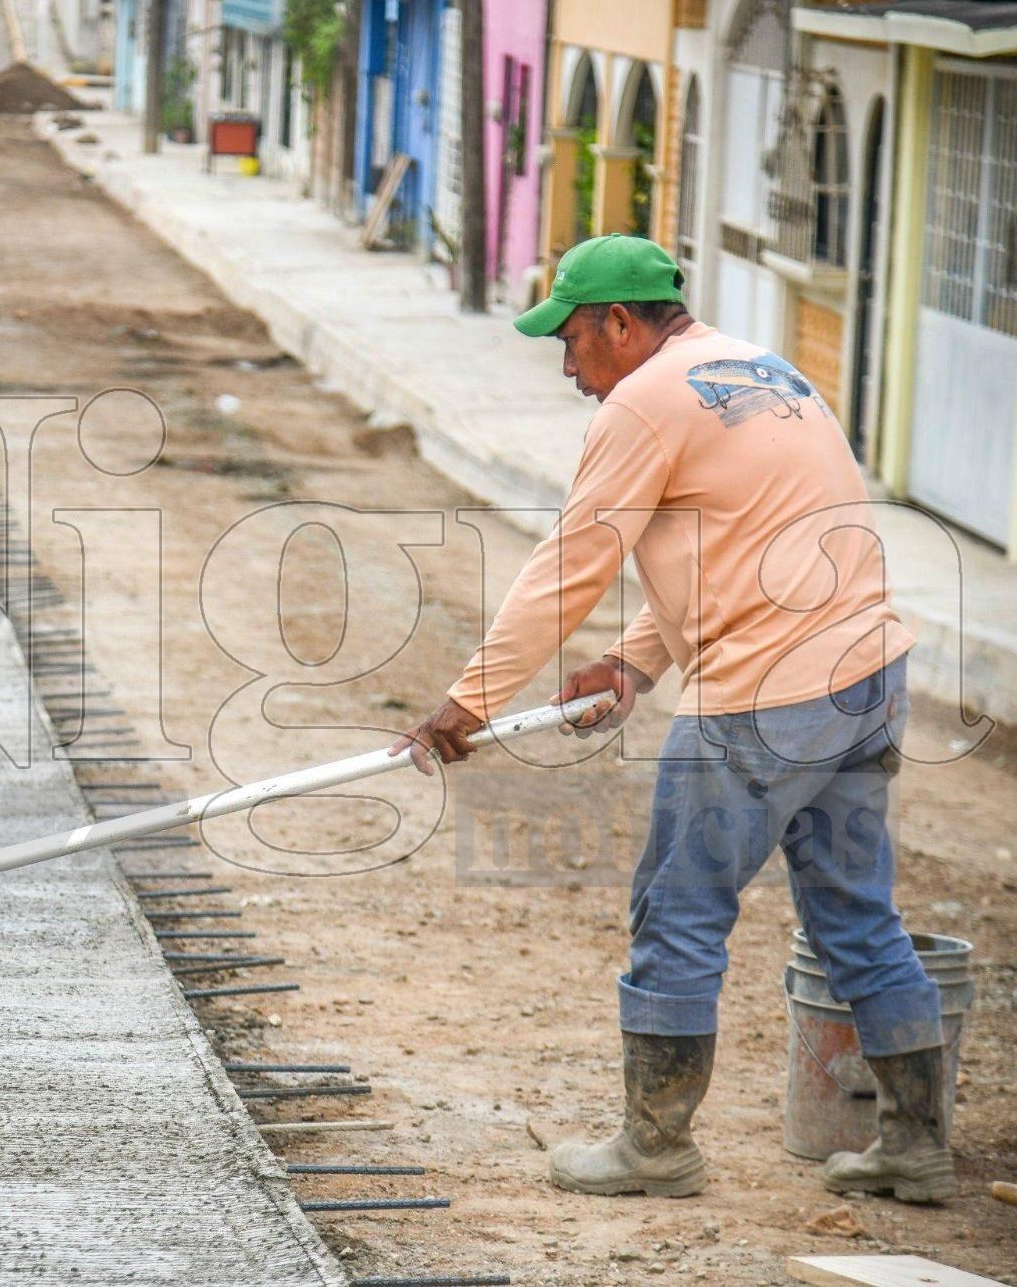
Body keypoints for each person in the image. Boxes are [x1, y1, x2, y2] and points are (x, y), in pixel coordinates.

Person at [391, 235, 950, 1205]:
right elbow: (736, 542)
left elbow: (567, 566)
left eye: (570, 340)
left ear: (618, 322)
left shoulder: (640, 404)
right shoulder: (765, 372)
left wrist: (468, 703)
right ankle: (916, 1144)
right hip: (866, 675)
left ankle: (653, 1145)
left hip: (765, 694)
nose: (567, 367)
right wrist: (634, 660)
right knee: (857, 913)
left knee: (677, 906)